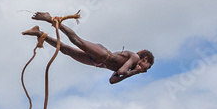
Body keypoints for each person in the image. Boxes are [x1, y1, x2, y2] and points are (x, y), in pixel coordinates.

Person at [23, 12, 154, 84]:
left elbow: (113, 80)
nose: (145, 70)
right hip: (103, 54)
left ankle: (40, 34)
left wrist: (132, 73)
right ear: (145, 59)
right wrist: (135, 72)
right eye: (146, 67)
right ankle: (50, 18)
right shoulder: (135, 57)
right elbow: (121, 72)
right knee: (76, 40)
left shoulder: (130, 68)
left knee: (66, 50)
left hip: (96, 62)